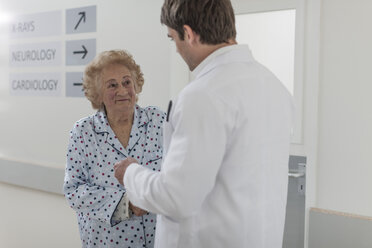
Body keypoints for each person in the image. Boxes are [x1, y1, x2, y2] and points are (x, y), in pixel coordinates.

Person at [114, 0, 294, 247]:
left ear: (188, 34)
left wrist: (130, 174)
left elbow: (177, 198)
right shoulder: (274, 86)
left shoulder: (202, 95)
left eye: (172, 38)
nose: (176, 49)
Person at [63, 49, 165, 248]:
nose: (122, 90)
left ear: (136, 85)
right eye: (112, 85)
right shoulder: (83, 132)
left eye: (127, 82)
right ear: (98, 94)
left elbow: (177, 175)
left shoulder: (159, 121)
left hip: (158, 240)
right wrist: (126, 205)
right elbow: (73, 191)